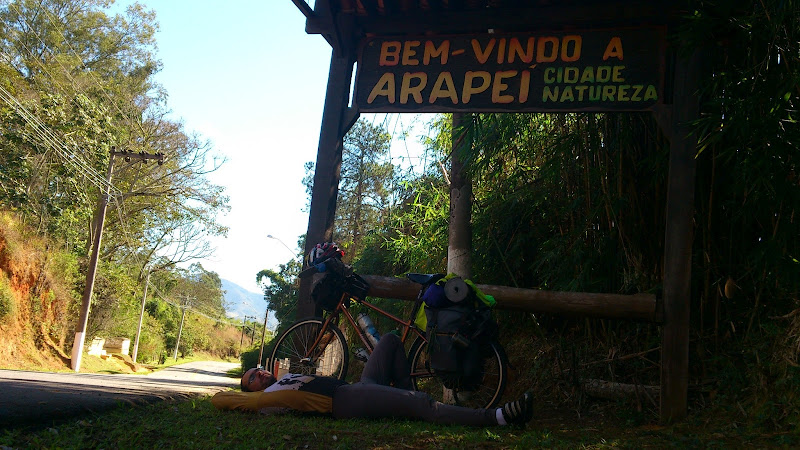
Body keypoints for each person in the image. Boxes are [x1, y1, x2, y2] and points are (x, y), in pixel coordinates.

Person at [212, 333, 533, 427]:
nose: (260, 374)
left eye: (258, 369)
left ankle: (405, 402)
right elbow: (221, 399)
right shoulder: (265, 399)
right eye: (253, 378)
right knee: (422, 402)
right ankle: (498, 417)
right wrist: (236, 394)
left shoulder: (286, 378)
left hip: (355, 388)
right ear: (252, 390)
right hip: (345, 402)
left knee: (391, 340)